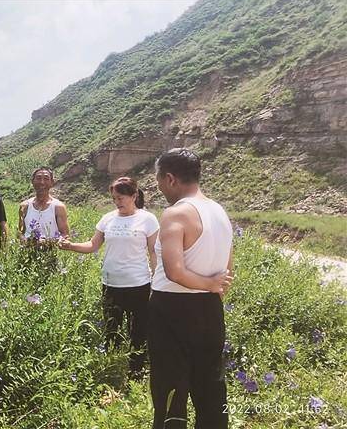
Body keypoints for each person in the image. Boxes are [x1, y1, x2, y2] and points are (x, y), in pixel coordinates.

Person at [148, 148, 234, 429]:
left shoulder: (176, 213)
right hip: (209, 308)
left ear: (170, 178)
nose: (159, 187)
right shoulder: (219, 211)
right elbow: (227, 267)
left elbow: (174, 271)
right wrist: (212, 288)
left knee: (170, 384)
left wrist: (208, 284)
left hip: (172, 308)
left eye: (159, 180)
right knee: (210, 382)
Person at [59, 176, 158, 377]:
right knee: (111, 329)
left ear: (134, 195)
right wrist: (70, 246)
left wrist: (157, 281)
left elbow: (154, 252)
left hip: (138, 284)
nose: (117, 202)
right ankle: (112, 369)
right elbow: (93, 245)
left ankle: (135, 372)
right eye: (114, 198)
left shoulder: (147, 219)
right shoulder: (108, 218)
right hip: (111, 284)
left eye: (121, 197)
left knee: (137, 331)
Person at [17, 167, 70, 271]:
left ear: (52, 183)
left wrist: (49, 242)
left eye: (46, 178)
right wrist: (27, 241)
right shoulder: (25, 206)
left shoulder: (58, 207)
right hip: (27, 257)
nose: (42, 182)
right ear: (32, 181)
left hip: (50, 258)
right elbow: (20, 232)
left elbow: (65, 235)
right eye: (38, 178)